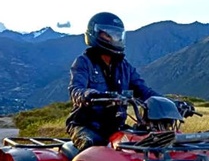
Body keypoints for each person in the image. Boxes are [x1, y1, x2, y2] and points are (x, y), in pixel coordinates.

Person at [66, 12, 183, 150]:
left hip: (115, 127)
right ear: (95, 33)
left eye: (117, 35)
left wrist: (170, 104)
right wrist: (91, 95)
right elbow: (76, 89)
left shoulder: (124, 66)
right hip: (87, 125)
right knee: (90, 147)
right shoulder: (83, 62)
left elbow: (144, 91)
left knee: (141, 144)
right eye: (108, 34)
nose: (114, 38)